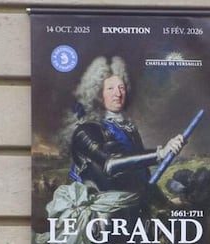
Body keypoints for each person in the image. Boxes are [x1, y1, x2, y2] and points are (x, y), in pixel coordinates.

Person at [64, 55, 184, 217]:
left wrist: (165, 203)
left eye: (121, 88)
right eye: (110, 88)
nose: (118, 94)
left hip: (138, 214)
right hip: (106, 220)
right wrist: (160, 153)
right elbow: (110, 164)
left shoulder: (129, 130)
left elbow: (142, 179)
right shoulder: (86, 131)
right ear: (98, 94)